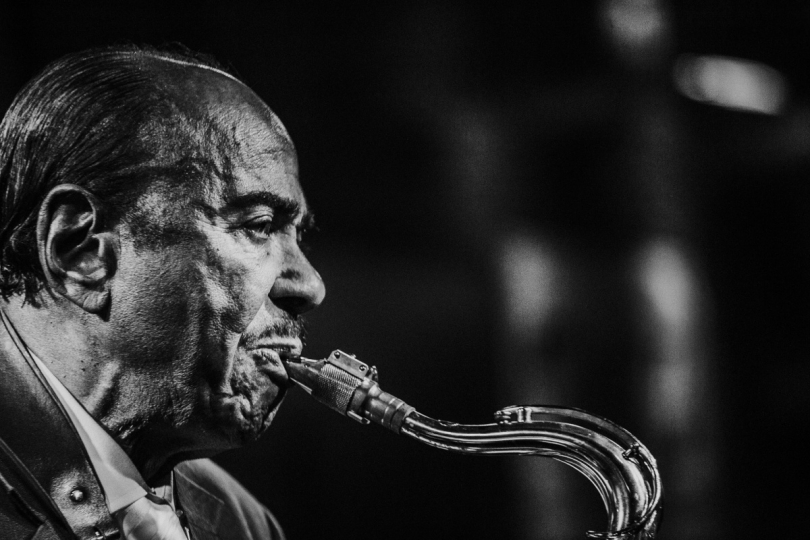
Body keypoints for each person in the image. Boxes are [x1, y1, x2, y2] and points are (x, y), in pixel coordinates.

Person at [0, 44, 325, 539]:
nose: (310, 286)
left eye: (297, 235)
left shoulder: (242, 523)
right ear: (79, 250)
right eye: (259, 224)